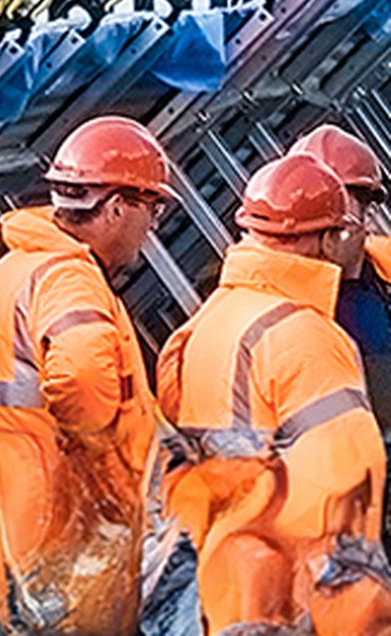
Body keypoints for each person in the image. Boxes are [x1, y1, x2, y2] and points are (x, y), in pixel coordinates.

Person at [159, 153, 391, 633]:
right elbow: (344, 500)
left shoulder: (201, 327)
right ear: (326, 238)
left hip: (234, 591)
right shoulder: (306, 336)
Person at [0, 115, 167, 632]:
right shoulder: (67, 276)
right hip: (71, 534)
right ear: (116, 206)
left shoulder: (19, 269)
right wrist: (108, 471)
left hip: (29, 531)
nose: (153, 227)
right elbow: (81, 375)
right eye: (152, 209)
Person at [292, 123, 391, 430]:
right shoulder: (292, 315)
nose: (326, 222)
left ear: (367, 213)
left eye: (339, 210)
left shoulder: (383, 270)